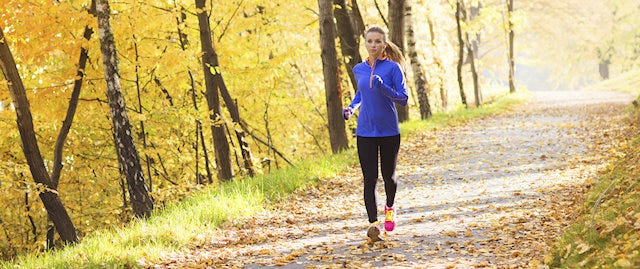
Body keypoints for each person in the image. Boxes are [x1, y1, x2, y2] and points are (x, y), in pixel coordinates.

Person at [342, 26, 408, 242]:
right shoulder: (359, 69)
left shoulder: (393, 69)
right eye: (369, 41)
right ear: (365, 43)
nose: (373, 45)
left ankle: (390, 207)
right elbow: (361, 93)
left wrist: (384, 88)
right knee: (369, 178)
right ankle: (373, 225)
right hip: (365, 132)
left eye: (377, 41)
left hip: (389, 130)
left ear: (384, 44)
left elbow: (403, 98)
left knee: (388, 176)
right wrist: (351, 108)